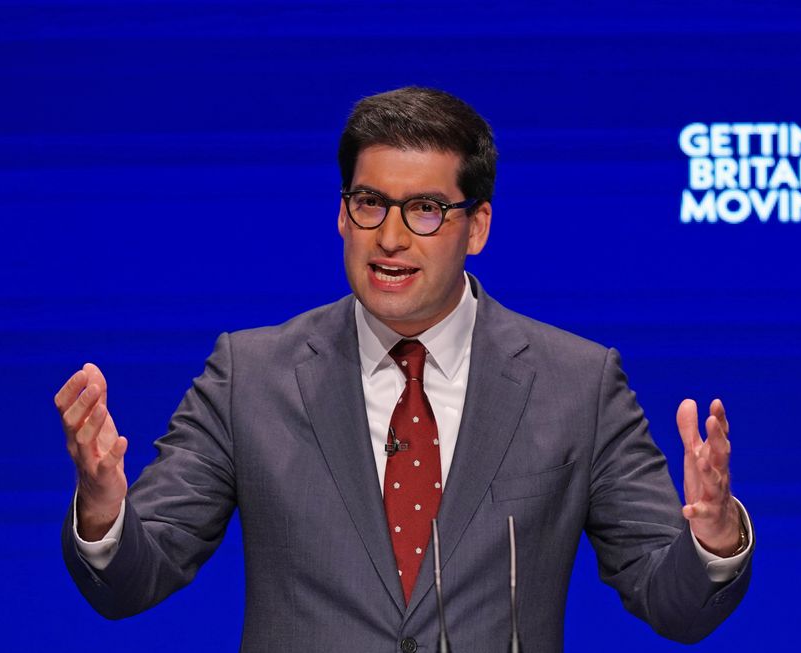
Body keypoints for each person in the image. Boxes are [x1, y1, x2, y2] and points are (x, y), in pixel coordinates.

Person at [56, 87, 753, 652]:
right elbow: (130, 582)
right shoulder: (251, 375)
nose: (390, 238)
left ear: (477, 226)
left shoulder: (577, 382)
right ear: (341, 213)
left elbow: (675, 605)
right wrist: (103, 506)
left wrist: (713, 536)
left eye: (425, 209)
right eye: (369, 204)